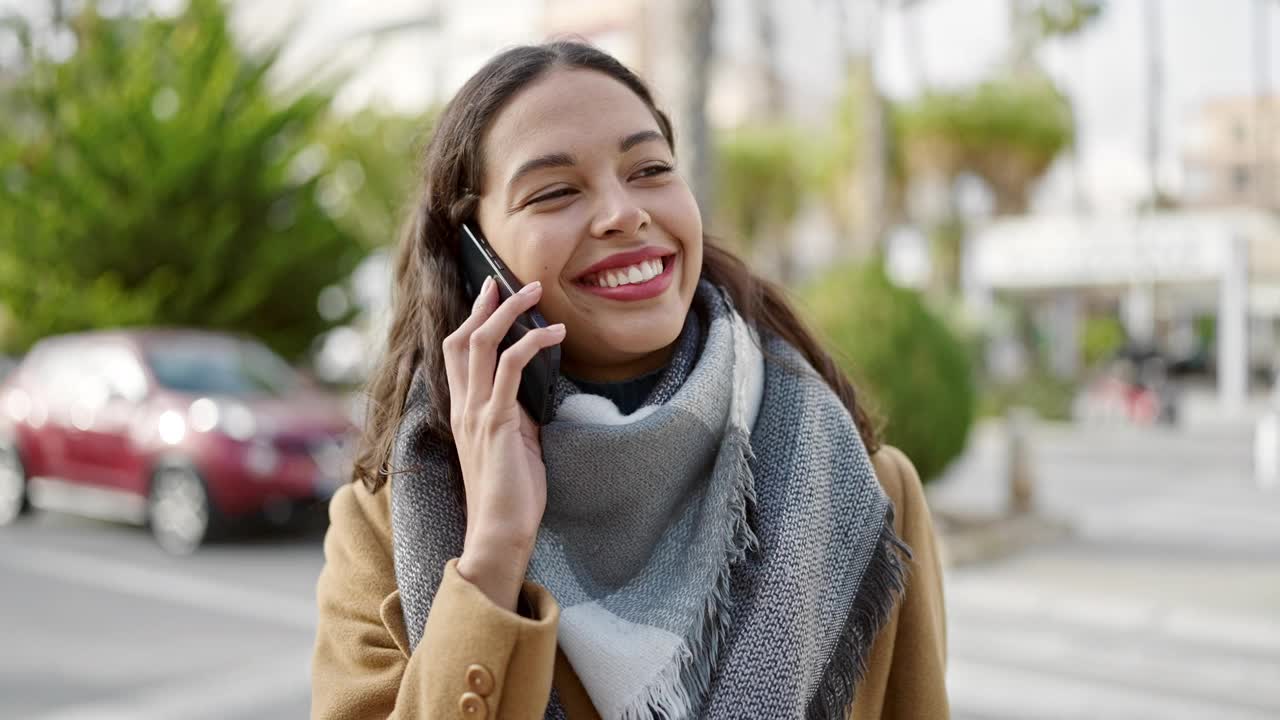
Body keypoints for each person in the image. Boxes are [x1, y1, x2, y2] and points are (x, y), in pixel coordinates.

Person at [311, 41, 948, 720]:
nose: (623, 212)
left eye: (649, 169)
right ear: (477, 260)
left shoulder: (860, 486)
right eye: (555, 191)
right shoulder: (385, 524)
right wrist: (493, 554)